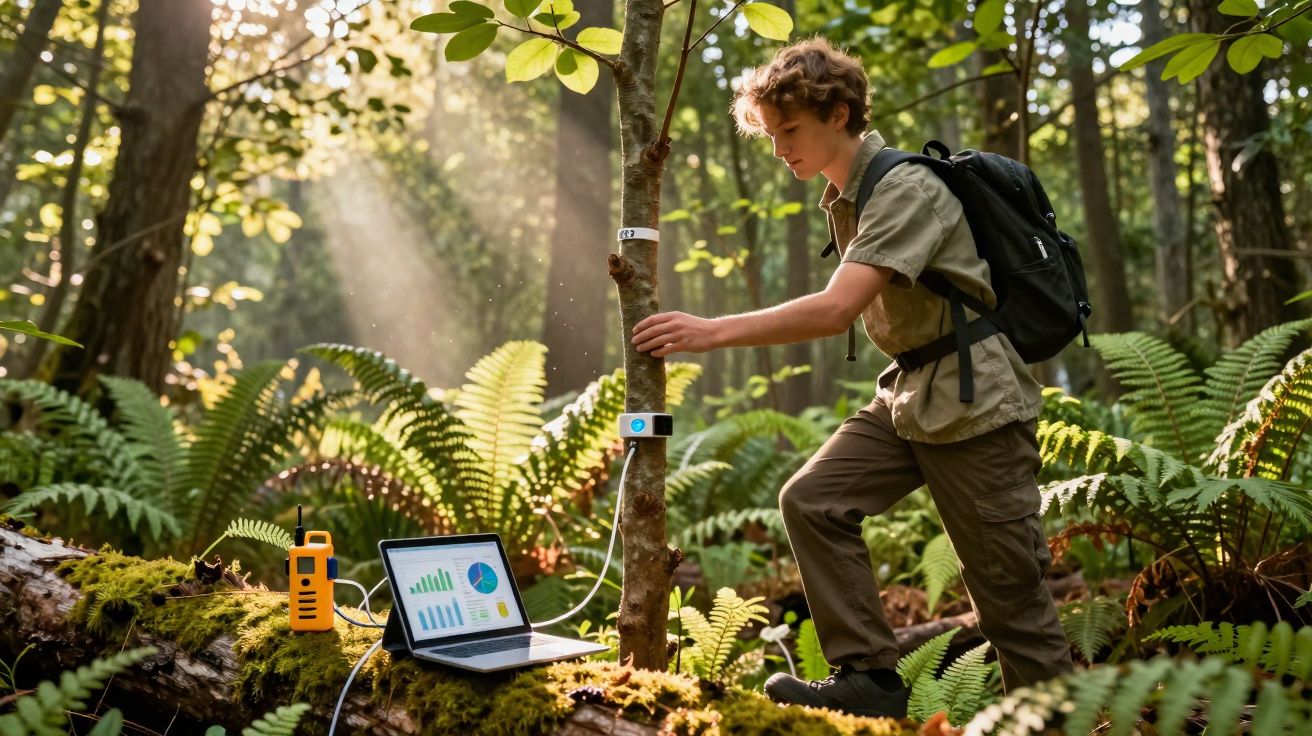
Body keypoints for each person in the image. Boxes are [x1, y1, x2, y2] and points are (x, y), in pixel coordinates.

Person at [630, 37, 1073, 719]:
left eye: (791, 130)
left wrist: (711, 332)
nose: (779, 148)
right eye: (771, 134)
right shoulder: (847, 194)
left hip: (976, 402)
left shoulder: (904, 188)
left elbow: (838, 307)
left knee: (1010, 607)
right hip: (910, 393)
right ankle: (869, 675)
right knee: (812, 500)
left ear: (838, 113)